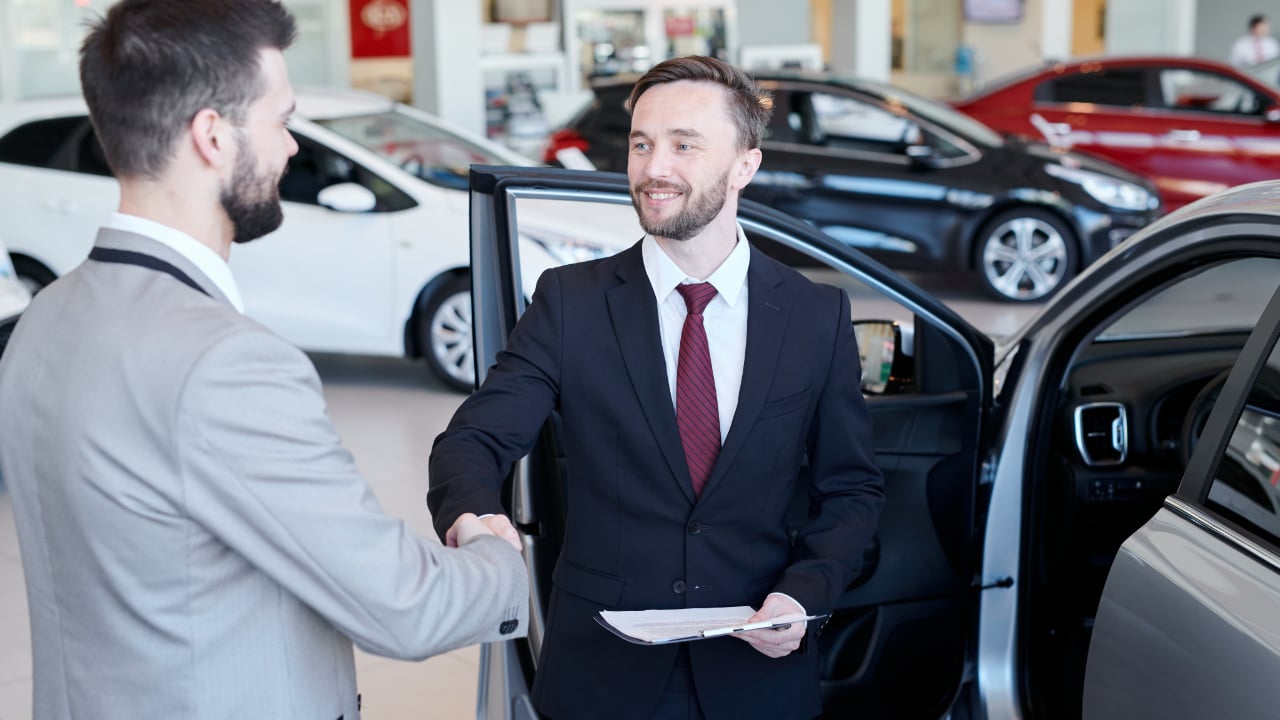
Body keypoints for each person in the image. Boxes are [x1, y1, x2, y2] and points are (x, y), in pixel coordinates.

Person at [0, 1, 527, 718]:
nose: (290, 148)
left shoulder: (43, 318)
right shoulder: (228, 364)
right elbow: (405, 606)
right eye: (281, 121)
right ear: (213, 137)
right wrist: (496, 555)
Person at [428, 55, 884, 720]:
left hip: (756, 669)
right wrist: (473, 515)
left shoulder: (815, 314)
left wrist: (803, 595)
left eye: (684, 145)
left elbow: (851, 489)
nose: (653, 168)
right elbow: (474, 440)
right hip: (603, 673)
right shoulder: (571, 302)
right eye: (641, 144)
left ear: (745, 166)